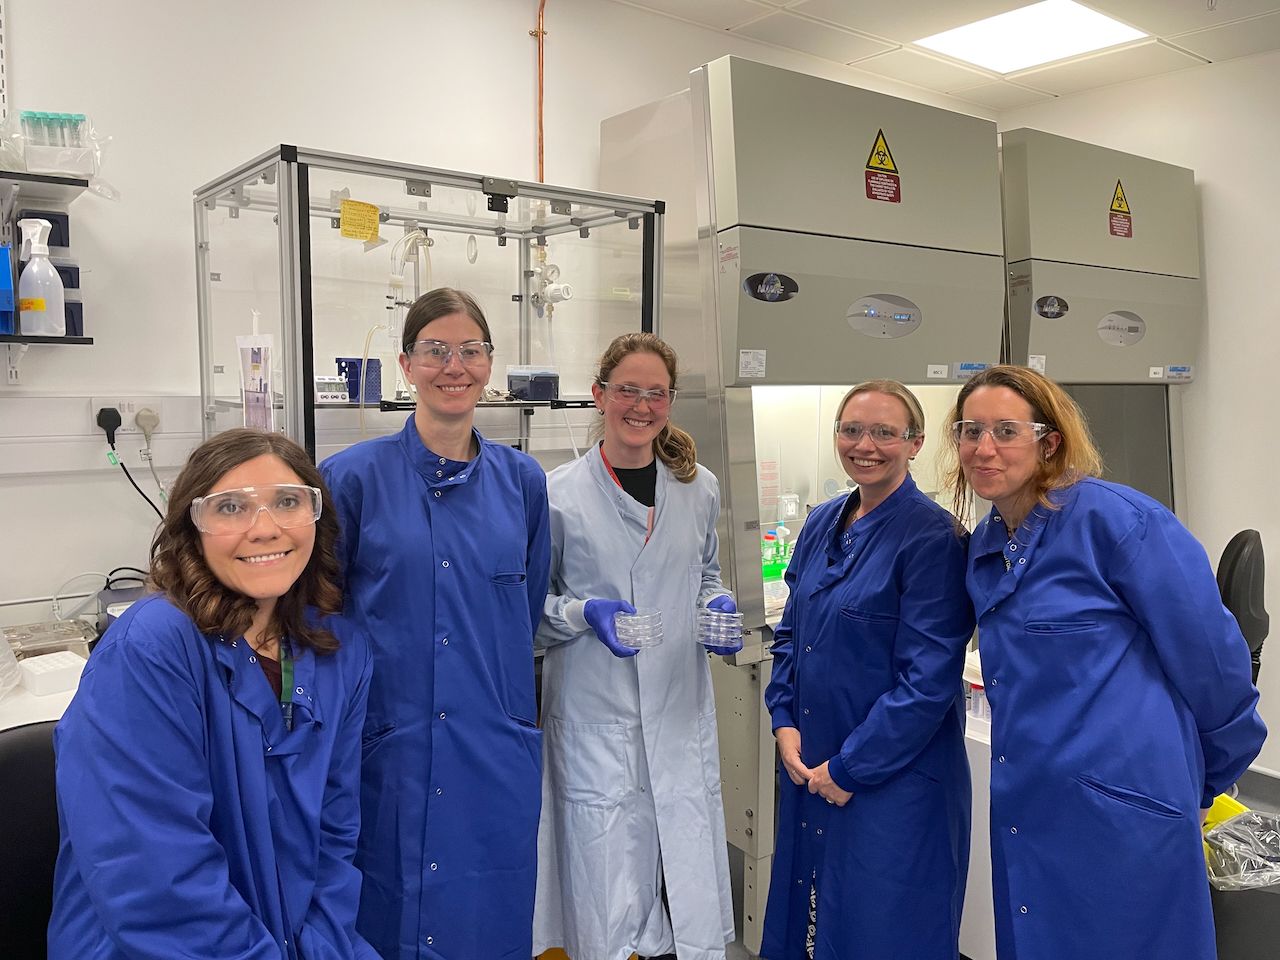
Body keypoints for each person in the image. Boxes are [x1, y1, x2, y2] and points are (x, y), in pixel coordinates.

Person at [945, 364, 1266, 960]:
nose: (983, 448)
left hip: (1127, 807)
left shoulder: (1119, 523)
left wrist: (1201, 780)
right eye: (970, 431)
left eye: (1005, 430)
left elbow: (1216, 666)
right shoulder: (987, 546)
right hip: (1032, 800)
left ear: (1049, 442)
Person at [48, 428, 377, 960]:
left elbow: (334, 841)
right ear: (191, 529)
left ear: (317, 517)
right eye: (231, 508)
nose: (265, 529)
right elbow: (152, 876)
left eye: (288, 502)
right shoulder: (153, 648)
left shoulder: (340, 651)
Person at [320, 288, 550, 960]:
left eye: (471, 350)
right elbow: (321, 618)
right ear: (406, 364)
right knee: (387, 910)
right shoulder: (351, 479)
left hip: (492, 741)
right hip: (388, 742)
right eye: (436, 351)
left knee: (487, 915)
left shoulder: (522, 481)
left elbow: (525, 604)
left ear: (490, 364)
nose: (456, 366)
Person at [533, 332, 738, 960]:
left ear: (671, 402)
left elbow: (704, 573)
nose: (641, 406)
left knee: (681, 878)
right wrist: (582, 612)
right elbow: (528, 611)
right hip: (597, 717)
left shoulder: (698, 487)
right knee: (604, 890)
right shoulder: (556, 493)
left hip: (677, 708)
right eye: (628, 390)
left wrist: (716, 606)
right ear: (600, 395)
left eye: (656, 393)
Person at [760, 380, 974, 960]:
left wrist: (851, 769)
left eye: (884, 432)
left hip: (890, 783)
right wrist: (783, 720)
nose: (866, 445)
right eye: (852, 430)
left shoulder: (933, 539)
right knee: (810, 930)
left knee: (882, 932)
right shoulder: (823, 521)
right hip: (812, 766)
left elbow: (927, 683)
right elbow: (791, 636)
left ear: (915, 442)